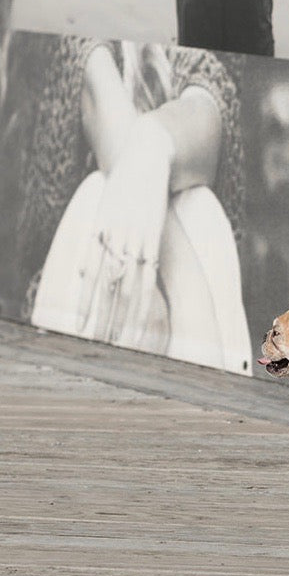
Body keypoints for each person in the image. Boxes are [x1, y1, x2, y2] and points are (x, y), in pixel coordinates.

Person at [13, 35, 251, 374]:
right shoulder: (66, 29)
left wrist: (152, 142)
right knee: (98, 192)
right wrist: (181, 291)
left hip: (180, 237)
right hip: (75, 284)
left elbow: (209, 109)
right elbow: (98, 95)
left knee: (200, 207)